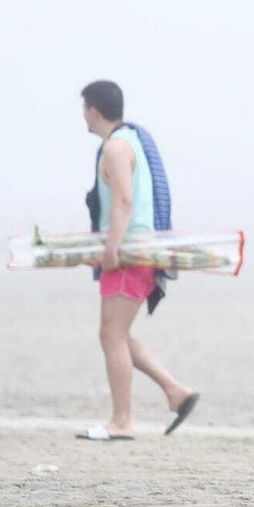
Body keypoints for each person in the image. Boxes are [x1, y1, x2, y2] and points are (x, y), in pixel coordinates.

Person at [77, 80, 199, 441]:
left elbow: (125, 203)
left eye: (83, 109)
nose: (82, 116)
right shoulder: (127, 141)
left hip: (132, 254)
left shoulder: (116, 147)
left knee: (111, 336)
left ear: (93, 112)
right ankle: (177, 393)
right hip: (135, 251)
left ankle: (122, 422)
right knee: (114, 335)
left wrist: (111, 250)